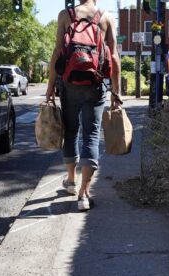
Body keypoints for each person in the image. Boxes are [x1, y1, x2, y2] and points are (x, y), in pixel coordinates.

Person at [45, 0, 122, 211]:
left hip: (69, 84)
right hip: (96, 85)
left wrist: (50, 86)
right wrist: (116, 91)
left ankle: (71, 181)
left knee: (70, 132)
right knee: (92, 135)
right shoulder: (106, 17)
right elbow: (114, 58)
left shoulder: (65, 15)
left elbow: (57, 53)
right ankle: (84, 194)